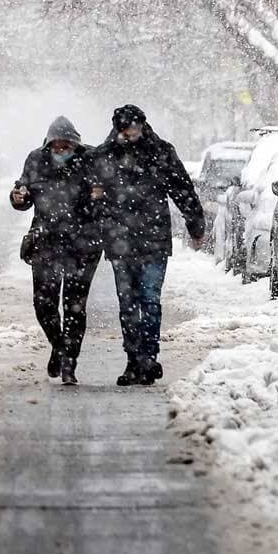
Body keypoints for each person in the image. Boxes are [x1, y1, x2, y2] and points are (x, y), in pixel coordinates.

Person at [90, 104, 205, 386]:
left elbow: (182, 188)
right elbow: (90, 195)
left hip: (153, 239)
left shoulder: (160, 152)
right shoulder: (105, 156)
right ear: (118, 130)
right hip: (120, 240)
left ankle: (149, 356)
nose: (131, 136)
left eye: (135, 130)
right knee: (128, 303)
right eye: (126, 132)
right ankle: (133, 359)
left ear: (143, 126)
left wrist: (195, 224)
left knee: (150, 299)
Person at [10, 116, 100, 386]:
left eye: (67, 145)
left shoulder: (91, 160)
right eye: (57, 145)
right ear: (48, 144)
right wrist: (18, 197)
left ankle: (69, 364)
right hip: (46, 242)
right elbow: (22, 195)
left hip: (82, 245)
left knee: (75, 307)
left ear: (76, 143)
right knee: (43, 303)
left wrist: (98, 197)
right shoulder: (35, 159)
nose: (62, 150)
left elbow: (107, 199)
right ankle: (58, 346)